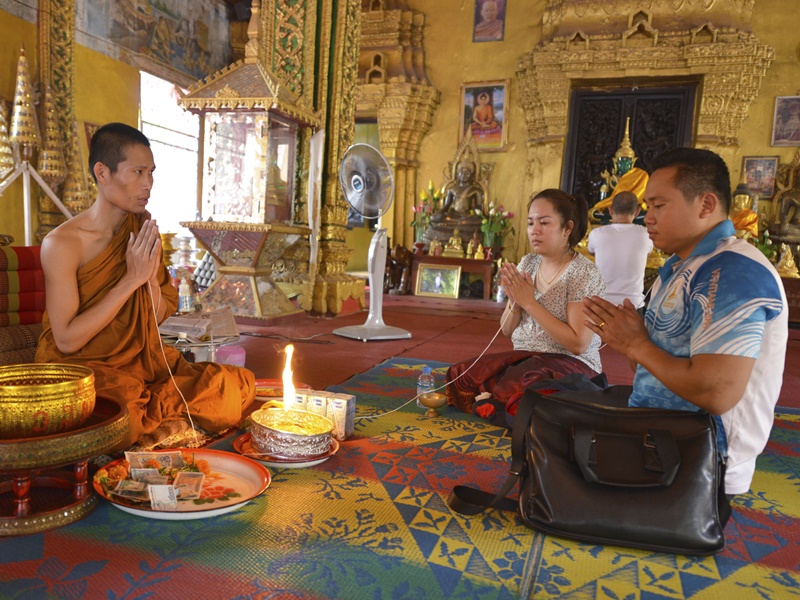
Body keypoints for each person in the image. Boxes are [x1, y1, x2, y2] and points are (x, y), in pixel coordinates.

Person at [583, 147, 788, 500]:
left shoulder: (732, 271)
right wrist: (630, 338)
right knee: (553, 421)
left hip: (703, 458)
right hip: (660, 435)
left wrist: (636, 344)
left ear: (706, 205)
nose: (647, 218)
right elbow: (646, 366)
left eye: (659, 206)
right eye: (647, 208)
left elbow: (715, 392)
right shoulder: (679, 269)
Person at [35, 122, 256, 450]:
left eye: (151, 172)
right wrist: (131, 280)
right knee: (121, 419)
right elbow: (66, 340)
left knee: (233, 384)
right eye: (137, 172)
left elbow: (159, 316)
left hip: (143, 363)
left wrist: (150, 281)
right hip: (86, 368)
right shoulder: (63, 244)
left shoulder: (141, 231)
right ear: (102, 172)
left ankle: (157, 418)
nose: (147, 183)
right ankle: (164, 420)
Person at [445, 189, 606, 414]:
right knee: (460, 375)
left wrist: (530, 303)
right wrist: (516, 303)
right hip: (524, 360)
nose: (534, 231)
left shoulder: (583, 273)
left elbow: (578, 344)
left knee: (527, 383)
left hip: (570, 365)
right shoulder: (528, 264)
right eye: (530, 223)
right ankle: (498, 403)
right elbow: (507, 331)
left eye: (544, 223)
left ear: (567, 228)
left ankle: (497, 402)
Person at [587, 191, 653, 308]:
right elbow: (648, 253)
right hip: (632, 304)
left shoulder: (596, 234)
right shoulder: (646, 234)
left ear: (611, 210)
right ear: (637, 212)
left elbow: (591, 252)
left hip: (601, 303)